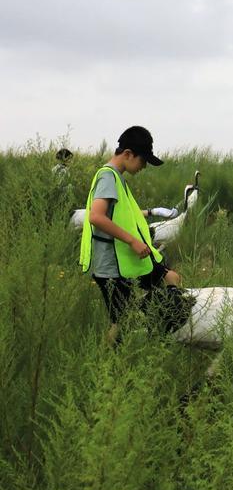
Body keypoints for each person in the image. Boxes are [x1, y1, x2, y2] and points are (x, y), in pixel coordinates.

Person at [79, 126, 185, 346]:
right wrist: (132, 241)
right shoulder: (108, 177)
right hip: (112, 266)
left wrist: (151, 213)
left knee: (171, 279)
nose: (144, 166)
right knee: (120, 324)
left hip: (128, 260)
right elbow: (96, 217)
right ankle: (107, 362)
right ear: (127, 154)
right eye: (143, 160)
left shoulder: (116, 178)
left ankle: (156, 329)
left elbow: (120, 214)